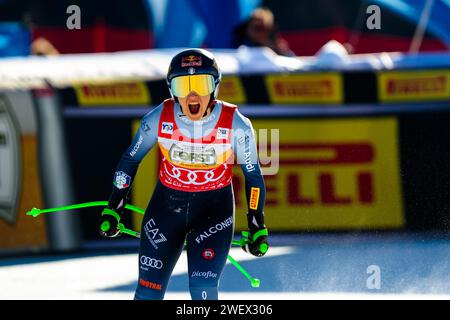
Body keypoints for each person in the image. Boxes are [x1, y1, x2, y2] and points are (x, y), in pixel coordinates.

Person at [98, 48, 268, 300]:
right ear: (171, 89)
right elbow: (130, 159)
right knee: (147, 293)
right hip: (166, 210)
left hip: (214, 213)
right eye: (182, 85)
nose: (192, 95)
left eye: (201, 83)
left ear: (215, 87)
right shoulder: (158, 118)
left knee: (202, 290)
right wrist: (114, 206)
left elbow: (253, 176)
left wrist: (256, 223)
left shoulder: (236, 124)